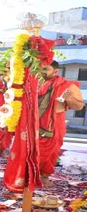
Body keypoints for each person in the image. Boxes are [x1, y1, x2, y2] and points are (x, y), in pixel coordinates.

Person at [38, 60, 85, 188]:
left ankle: (44, 176)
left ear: (56, 71)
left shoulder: (67, 85)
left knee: (49, 153)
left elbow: (79, 106)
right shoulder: (36, 83)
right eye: (41, 69)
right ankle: (28, 175)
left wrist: (69, 98)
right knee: (28, 151)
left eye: (46, 69)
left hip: (52, 126)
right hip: (33, 124)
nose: (42, 72)